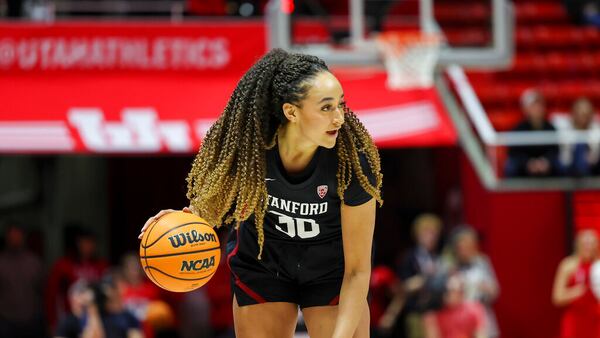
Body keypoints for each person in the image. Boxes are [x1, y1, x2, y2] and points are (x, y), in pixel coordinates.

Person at [139, 48, 383, 338]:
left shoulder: (351, 162)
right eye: (326, 107)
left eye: (342, 105)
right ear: (291, 111)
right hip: (264, 261)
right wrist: (183, 220)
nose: (339, 118)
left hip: (331, 269)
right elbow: (211, 206)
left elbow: (357, 271)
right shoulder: (251, 147)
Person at [47, 227, 109, 329]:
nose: (88, 246)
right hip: (71, 319)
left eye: (91, 242)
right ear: (77, 243)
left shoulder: (102, 266)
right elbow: (52, 295)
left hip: (96, 319)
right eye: (84, 242)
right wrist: (52, 322)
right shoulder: (63, 265)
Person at [444, 226, 499, 338]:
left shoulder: (482, 262)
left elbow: (495, 290)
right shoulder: (449, 265)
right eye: (462, 245)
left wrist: (487, 289)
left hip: (482, 316)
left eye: (470, 245)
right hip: (460, 321)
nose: (466, 249)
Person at [55, 276, 143, 338]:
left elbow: (136, 335)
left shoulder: (127, 316)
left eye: (112, 289)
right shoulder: (92, 315)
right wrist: (93, 307)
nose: (108, 296)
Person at [0, 222, 46, 338]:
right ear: (7, 238)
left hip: (31, 321)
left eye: (17, 235)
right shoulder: (1, 262)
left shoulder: (34, 262)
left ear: (23, 237)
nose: (14, 239)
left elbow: (43, 289)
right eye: (12, 236)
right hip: (6, 321)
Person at [504, 88, 563, 177]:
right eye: (534, 106)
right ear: (525, 109)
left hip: (545, 165)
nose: (537, 108)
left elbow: (555, 150)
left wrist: (546, 161)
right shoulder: (518, 129)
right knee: (511, 166)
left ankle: (565, 191)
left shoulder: (551, 128)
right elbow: (514, 152)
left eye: (540, 105)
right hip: (524, 165)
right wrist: (528, 163)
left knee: (560, 165)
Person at [552, 229, 600, 338]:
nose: (588, 247)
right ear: (578, 244)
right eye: (585, 243)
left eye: (592, 243)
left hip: (595, 320)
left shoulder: (598, 266)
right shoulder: (568, 265)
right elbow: (557, 297)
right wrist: (576, 292)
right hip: (575, 320)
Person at [422, 274, 487, 338]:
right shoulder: (434, 314)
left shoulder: (474, 309)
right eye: (448, 290)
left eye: (453, 290)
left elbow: (480, 334)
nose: (448, 293)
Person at [557, 97, 600, 176]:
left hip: (593, 168)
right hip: (568, 168)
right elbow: (564, 158)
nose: (583, 117)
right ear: (574, 113)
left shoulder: (597, 129)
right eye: (581, 113)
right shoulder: (564, 128)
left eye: (586, 114)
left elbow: (595, 156)